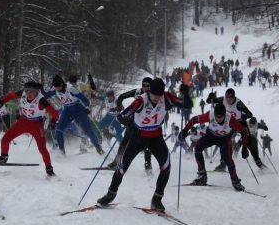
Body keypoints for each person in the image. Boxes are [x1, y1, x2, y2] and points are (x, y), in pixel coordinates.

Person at [97, 78, 184, 212]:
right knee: (121, 167)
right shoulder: (141, 100)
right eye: (154, 94)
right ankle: (110, 194)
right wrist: (131, 122)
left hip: (156, 137)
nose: (156, 97)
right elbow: (121, 117)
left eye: (159, 95)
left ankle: (157, 199)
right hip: (138, 137)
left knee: (166, 166)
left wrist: (186, 95)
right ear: (149, 91)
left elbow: (184, 103)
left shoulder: (166, 97)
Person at [0, 81, 59, 176]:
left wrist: (54, 121)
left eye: (31, 91)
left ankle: (49, 168)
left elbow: (54, 112)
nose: (28, 94)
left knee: (42, 148)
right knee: (5, 139)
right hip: (23, 122)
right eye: (27, 91)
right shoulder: (23, 93)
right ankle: (3, 157)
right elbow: (11, 95)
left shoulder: (41, 100)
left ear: (37, 91)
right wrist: (1, 102)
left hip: (36, 125)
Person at [179, 103, 248, 191]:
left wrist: (245, 148)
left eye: (221, 117)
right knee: (198, 148)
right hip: (211, 135)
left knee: (228, 159)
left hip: (224, 139)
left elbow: (243, 131)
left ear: (224, 115)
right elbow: (194, 120)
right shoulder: (210, 114)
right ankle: (202, 176)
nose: (219, 119)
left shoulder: (230, 118)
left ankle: (236, 182)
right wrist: (184, 131)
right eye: (217, 116)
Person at [45, 74, 103, 155]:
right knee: (59, 130)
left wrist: (87, 107)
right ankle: (62, 151)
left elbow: (84, 99)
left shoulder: (71, 89)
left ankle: (98, 147)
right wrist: (38, 89)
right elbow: (45, 94)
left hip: (78, 109)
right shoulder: (55, 89)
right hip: (67, 110)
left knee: (88, 130)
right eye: (55, 87)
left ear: (62, 85)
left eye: (58, 87)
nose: (57, 89)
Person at [106, 77, 153, 171]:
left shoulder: (154, 95)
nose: (145, 87)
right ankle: (116, 162)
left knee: (147, 145)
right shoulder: (137, 92)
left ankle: (148, 166)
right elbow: (121, 96)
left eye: (148, 86)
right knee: (124, 142)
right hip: (134, 122)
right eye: (144, 85)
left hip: (147, 124)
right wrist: (119, 106)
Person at [207, 88, 253, 170]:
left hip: (239, 122)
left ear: (234, 97)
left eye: (230, 98)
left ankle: (246, 150)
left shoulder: (238, 103)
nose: (228, 99)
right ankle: (223, 164)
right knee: (223, 141)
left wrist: (244, 116)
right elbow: (210, 101)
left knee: (246, 136)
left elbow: (250, 114)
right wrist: (210, 97)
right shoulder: (222, 99)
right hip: (229, 123)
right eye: (227, 97)